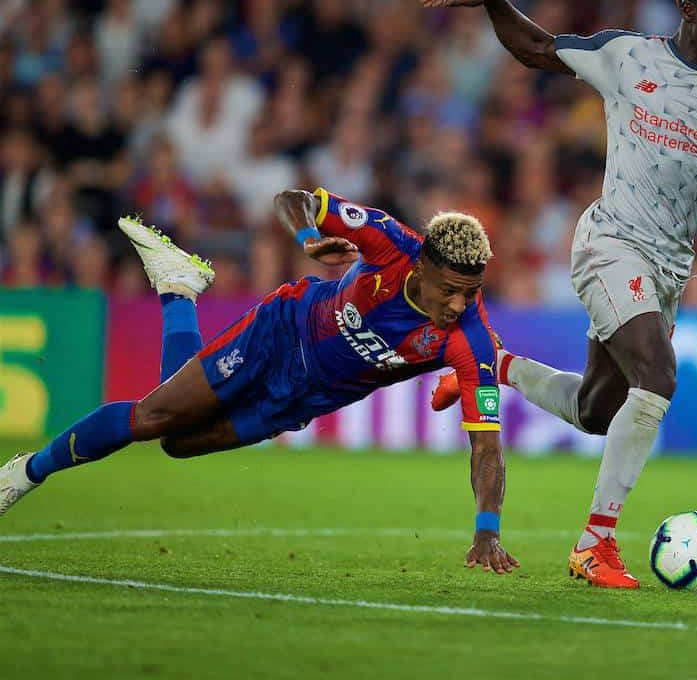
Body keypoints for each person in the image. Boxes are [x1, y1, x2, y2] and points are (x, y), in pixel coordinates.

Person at [420, 0, 697, 589]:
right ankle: (594, 544)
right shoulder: (628, 57)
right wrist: (494, 0)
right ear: (688, 10)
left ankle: (493, 365)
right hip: (609, 244)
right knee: (657, 375)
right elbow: (539, 48)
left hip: (667, 268)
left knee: (599, 410)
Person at [0, 190, 520, 574]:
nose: (458, 305)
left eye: (470, 293)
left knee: (177, 442)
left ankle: (179, 288)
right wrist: (307, 237)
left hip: (302, 397)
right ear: (424, 266)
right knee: (153, 415)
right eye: (450, 290)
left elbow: (487, 447)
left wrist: (487, 530)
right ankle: (25, 472)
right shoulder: (388, 240)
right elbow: (293, 200)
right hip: (278, 332)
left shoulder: (469, 340)